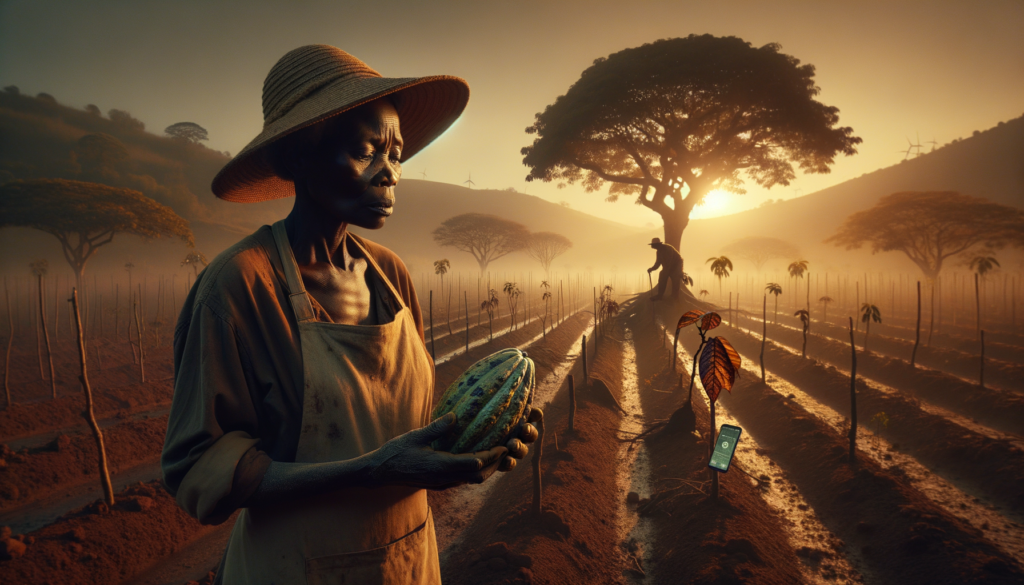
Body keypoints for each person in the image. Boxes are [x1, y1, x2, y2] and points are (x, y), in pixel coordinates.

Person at [161, 45, 541, 585]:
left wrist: (481, 438)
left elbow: (398, 426)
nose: (390, 175)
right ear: (298, 158)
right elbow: (199, 467)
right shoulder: (240, 284)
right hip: (296, 569)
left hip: (408, 563)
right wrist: (371, 472)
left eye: (397, 154)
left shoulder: (390, 274)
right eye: (366, 152)